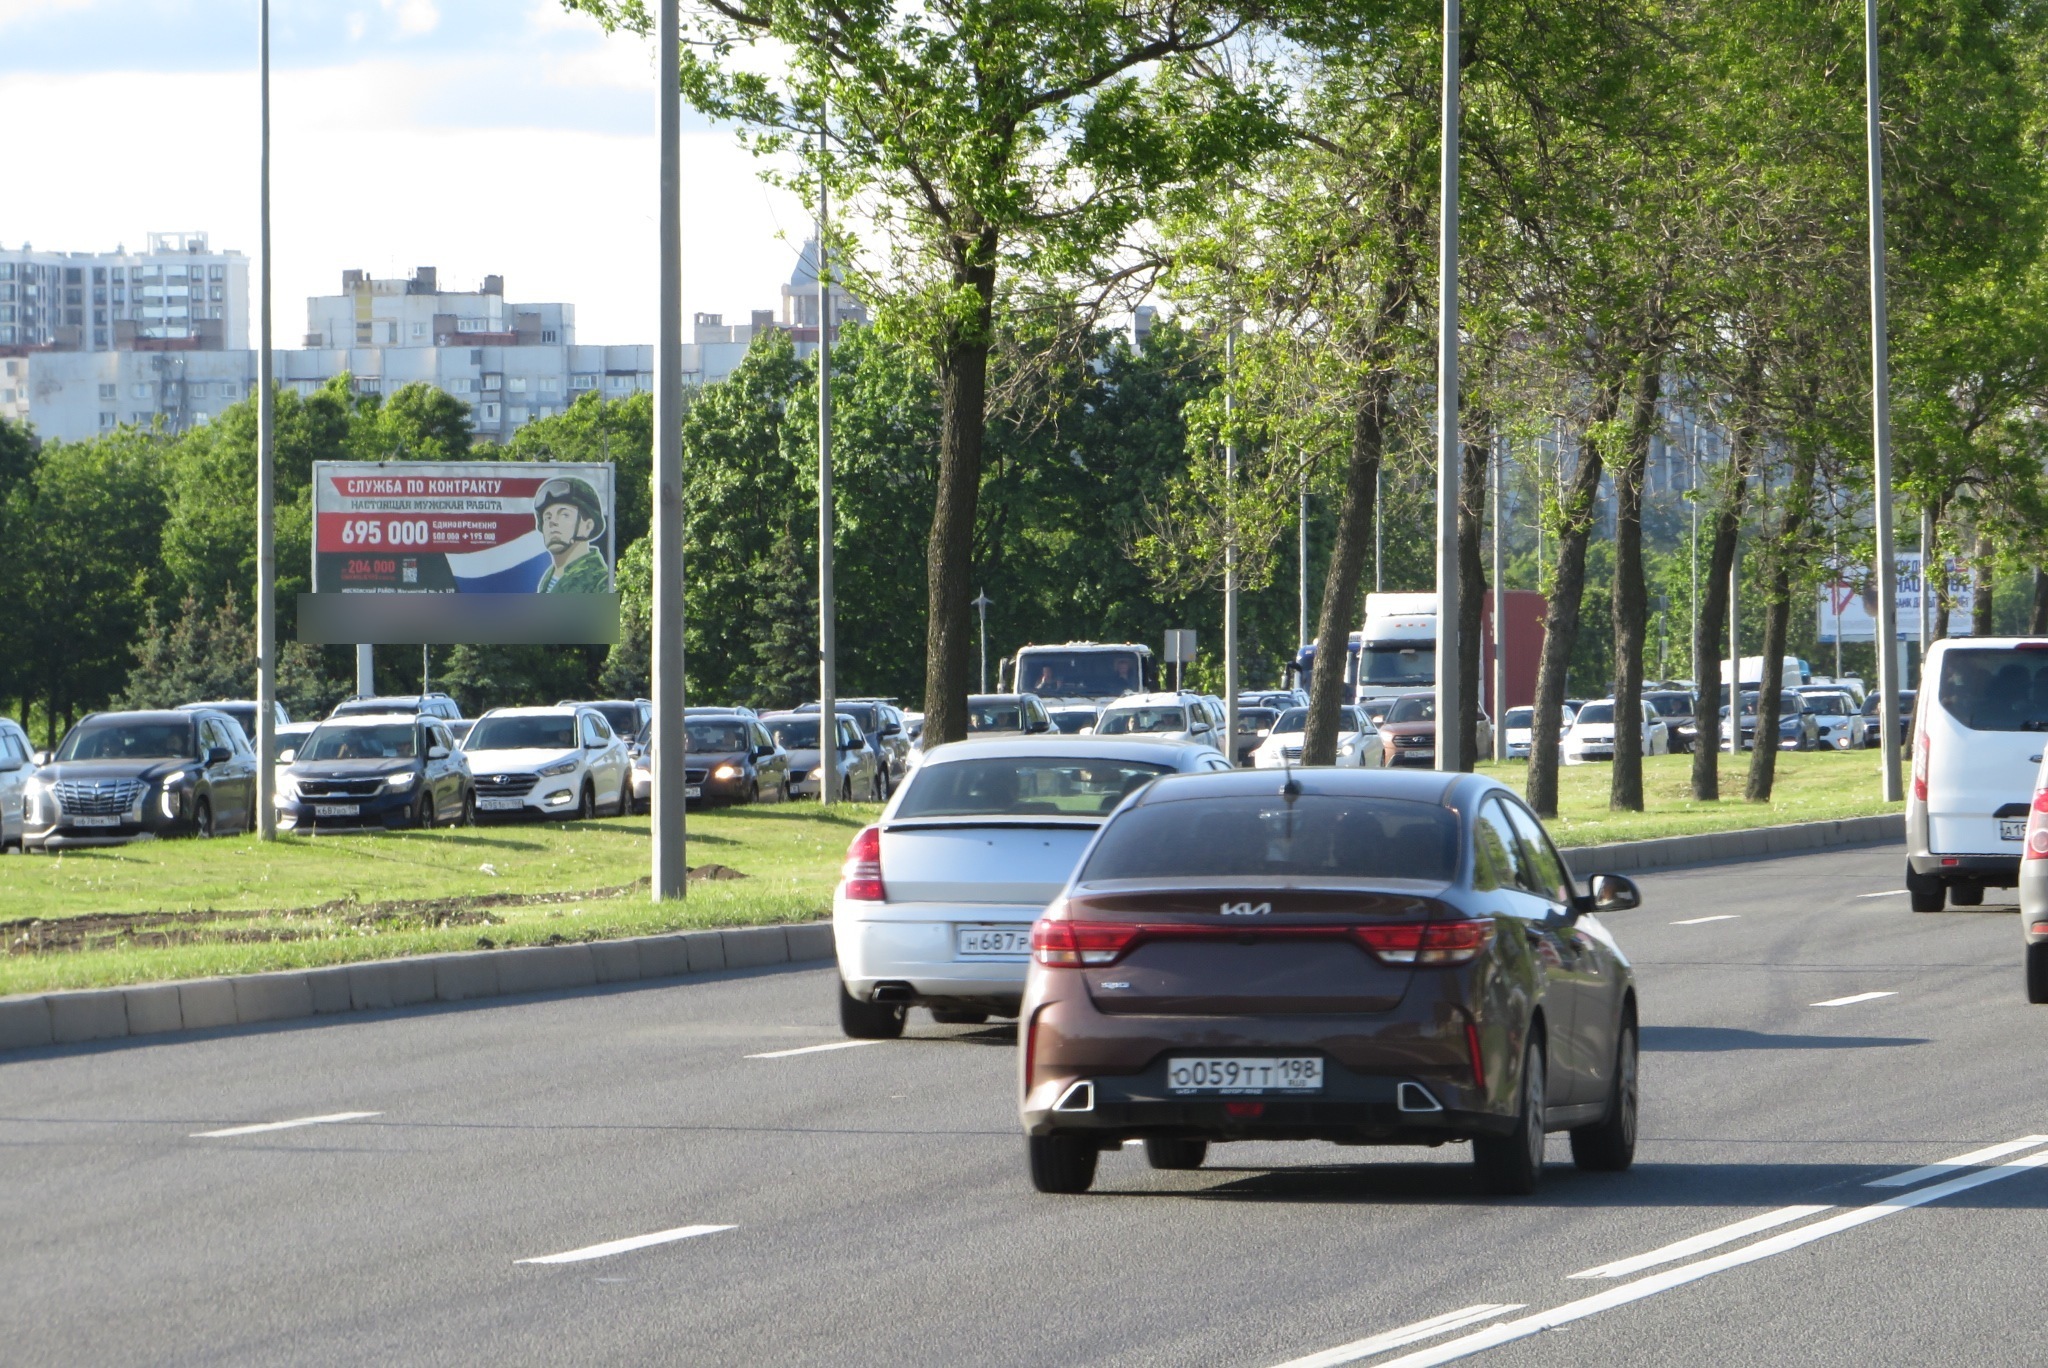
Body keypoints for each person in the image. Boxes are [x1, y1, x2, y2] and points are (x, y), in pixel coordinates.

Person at [532, 476, 611, 593]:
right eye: (547, 517)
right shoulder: (547, 580)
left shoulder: (601, 582)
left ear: (587, 527)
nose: (552, 522)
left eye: (564, 515)